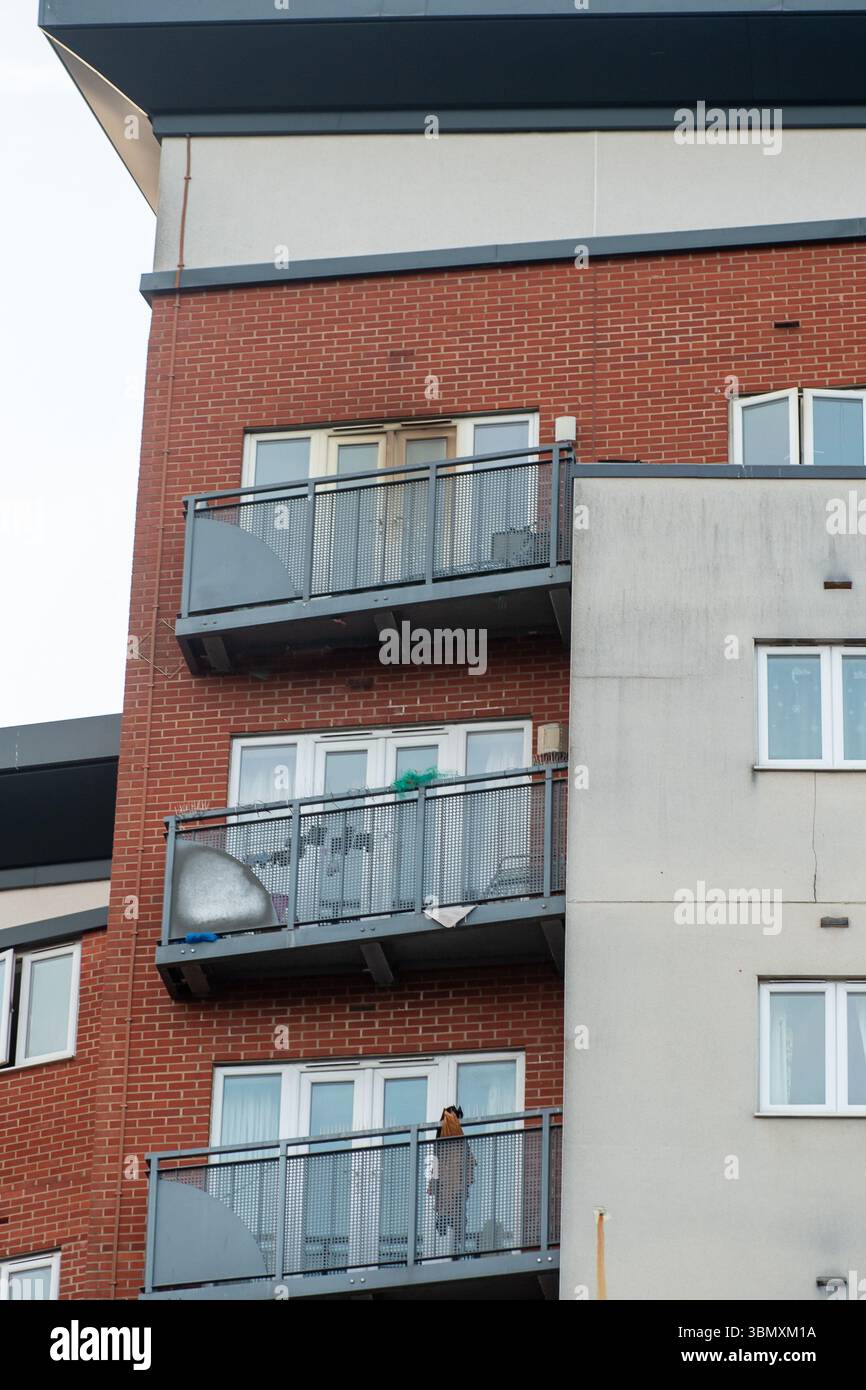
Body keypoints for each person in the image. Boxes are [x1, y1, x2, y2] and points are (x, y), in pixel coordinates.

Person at [427, 1105, 477, 1255]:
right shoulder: (450, 1125)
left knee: (453, 1205)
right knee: (452, 1204)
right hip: (450, 1180)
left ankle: (450, 1224)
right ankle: (448, 1222)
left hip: (451, 1183)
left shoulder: (449, 1136)